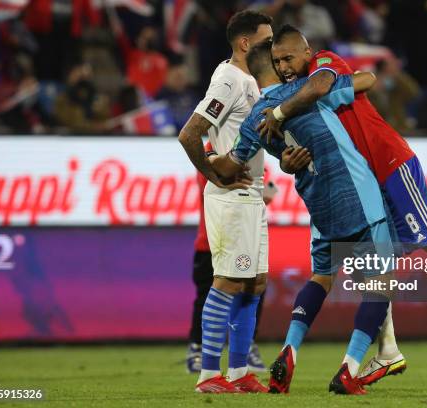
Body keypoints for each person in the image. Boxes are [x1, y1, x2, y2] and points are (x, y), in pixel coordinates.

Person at [260, 24, 427, 386]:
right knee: (374, 270)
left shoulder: (323, 66)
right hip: (365, 182)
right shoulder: (298, 96)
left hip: (390, 162)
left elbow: (338, 83)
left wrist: (276, 114)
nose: (284, 66)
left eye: (288, 57)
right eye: (277, 61)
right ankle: (387, 351)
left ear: (307, 53)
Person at [209, 39, 395, 395]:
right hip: (357, 195)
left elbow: (230, 167)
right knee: (381, 284)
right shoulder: (310, 91)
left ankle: (289, 349)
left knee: (321, 278)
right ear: (276, 66)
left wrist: (205, 157)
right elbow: (367, 80)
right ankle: (350, 368)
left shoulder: (253, 121)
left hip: (318, 204)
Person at [177, 10, 273, 394]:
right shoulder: (230, 80)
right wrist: (215, 174)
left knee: (254, 283)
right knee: (229, 282)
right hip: (231, 198)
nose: (271, 48)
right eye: (266, 42)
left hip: (252, 194)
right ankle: (208, 375)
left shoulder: (250, 81)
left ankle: (238, 372)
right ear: (245, 43)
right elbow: (190, 134)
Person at [185, 143, 277, 374]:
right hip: (213, 238)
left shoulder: (250, 147)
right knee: (211, 292)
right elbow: (219, 184)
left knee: (255, 286)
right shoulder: (211, 151)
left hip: (243, 230)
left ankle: (243, 354)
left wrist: (264, 195)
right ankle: (199, 352)